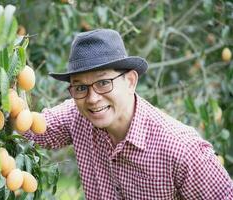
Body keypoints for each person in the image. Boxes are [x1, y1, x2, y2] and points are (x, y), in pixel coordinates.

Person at [24, 29, 233, 199]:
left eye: (103, 82)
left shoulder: (182, 150)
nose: (92, 98)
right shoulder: (76, 117)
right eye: (80, 87)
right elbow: (28, 129)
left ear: (131, 81)